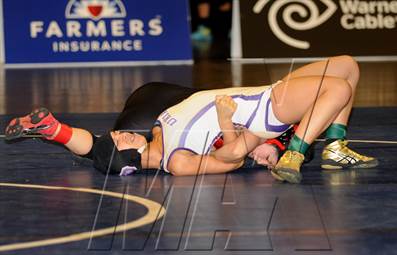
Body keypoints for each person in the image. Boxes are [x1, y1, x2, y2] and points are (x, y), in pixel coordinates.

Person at [5, 56, 377, 182]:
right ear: (129, 157)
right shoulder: (177, 162)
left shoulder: (151, 134)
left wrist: (57, 129)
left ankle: (336, 147)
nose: (118, 134)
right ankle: (298, 150)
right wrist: (231, 124)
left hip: (260, 94)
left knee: (346, 66)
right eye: (120, 141)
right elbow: (228, 161)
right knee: (338, 90)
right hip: (264, 110)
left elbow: (97, 150)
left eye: (116, 136)